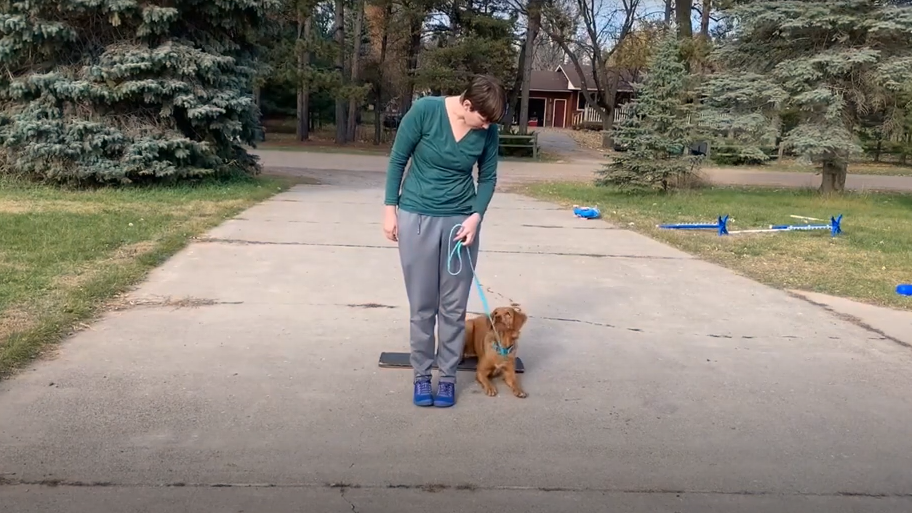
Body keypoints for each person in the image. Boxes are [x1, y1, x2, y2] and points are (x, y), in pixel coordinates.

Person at [382, 75, 506, 408]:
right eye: (483, 118)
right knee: (422, 307)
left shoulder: (488, 130)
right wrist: (389, 210)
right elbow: (397, 160)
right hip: (416, 217)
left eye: (491, 122)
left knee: (452, 309)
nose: (486, 127)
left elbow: (489, 176)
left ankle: (448, 378)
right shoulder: (426, 111)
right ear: (466, 105)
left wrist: (475, 217)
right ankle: (422, 376)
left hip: (460, 224)